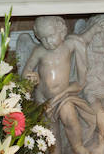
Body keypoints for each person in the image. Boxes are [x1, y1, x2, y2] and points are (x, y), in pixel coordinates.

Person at [23, 16, 94, 154]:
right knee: (51, 131)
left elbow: (84, 38)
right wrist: (31, 76)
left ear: (62, 31)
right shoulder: (39, 51)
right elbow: (27, 70)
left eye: (51, 36)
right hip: (43, 99)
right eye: (43, 38)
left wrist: (96, 28)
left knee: (69, 117)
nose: (48, 42)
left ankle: (77, 145)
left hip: (63, 96)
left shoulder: (68, 46)